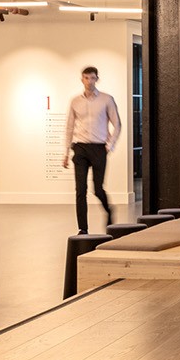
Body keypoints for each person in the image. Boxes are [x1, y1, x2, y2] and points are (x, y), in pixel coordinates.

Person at [62, 65, 122, 234]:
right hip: (80, 148)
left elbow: (117, 124)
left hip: (98, 147)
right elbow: (69, 127)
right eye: (86, 78)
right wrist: (66, 152)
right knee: (80, 190)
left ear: (97, 79)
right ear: (82, 79)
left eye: (92, 78)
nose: (89, 81)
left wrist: (109, 146)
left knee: (98, 188)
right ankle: (83, 228)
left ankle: (109, 211)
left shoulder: (106, 99)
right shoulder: (75, 101)